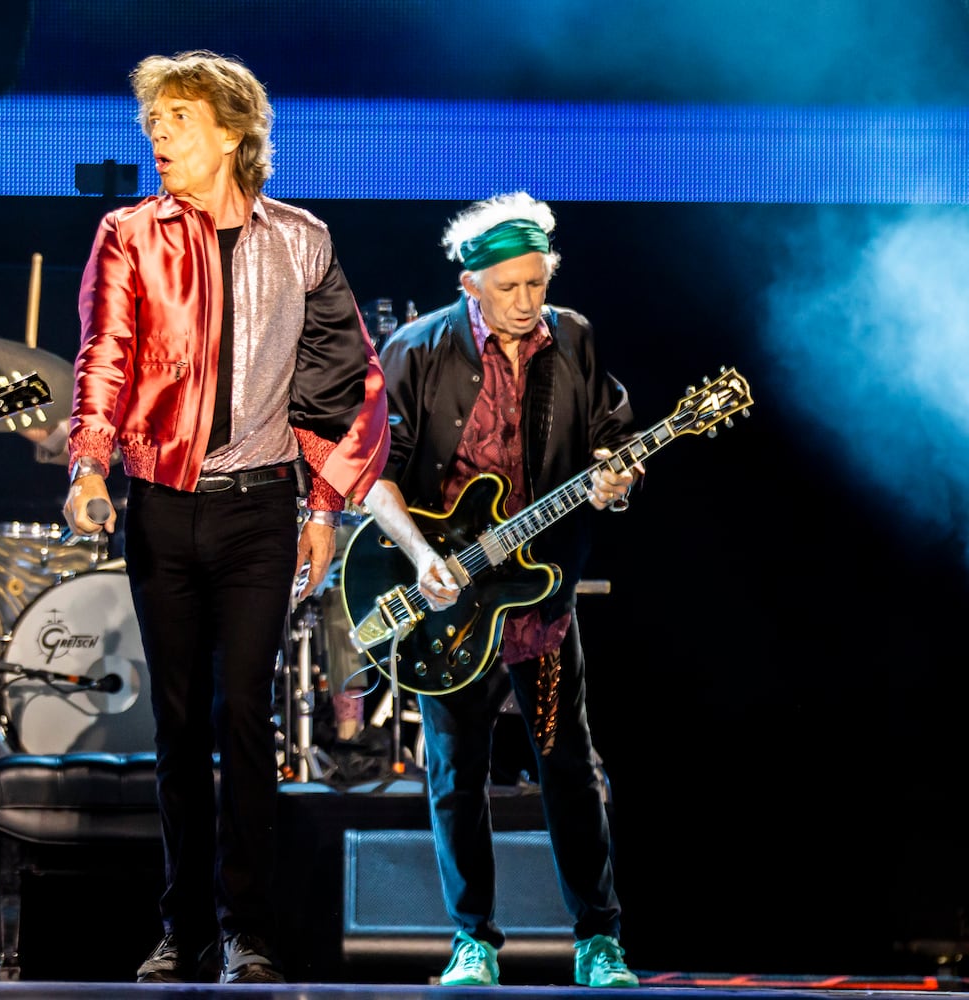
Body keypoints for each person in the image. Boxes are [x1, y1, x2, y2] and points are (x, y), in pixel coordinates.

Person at [62, 50, 388, 985]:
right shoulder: (129, 233)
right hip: (163, 507)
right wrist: (89, 466)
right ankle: (185, 931)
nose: (157, 136)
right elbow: (104, 355)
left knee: (243, 710)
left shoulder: (302, 240)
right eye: (153, 122)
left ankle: (249, 932)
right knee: (175, 723)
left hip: (260, 510)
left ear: (234, 131)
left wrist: (324, 505)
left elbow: (342, 382)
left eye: (178, 119)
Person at [362, 191, 643, 988]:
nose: (526, 303)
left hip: (540, 600)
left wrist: (616, 479)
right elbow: (373, 474)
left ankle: (599, 938)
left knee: (569, 765)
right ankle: (472, 940)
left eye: (537, 284)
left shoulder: (573, 338)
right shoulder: (416, 349)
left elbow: (612, 441)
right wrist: (421, 555)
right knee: (456, 774)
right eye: (509, 287)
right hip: (449, 600)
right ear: (469, 284)